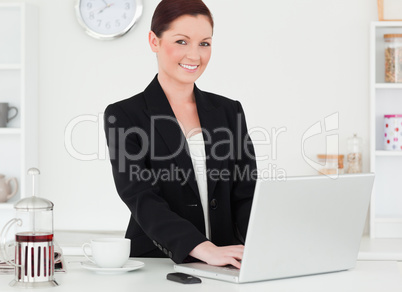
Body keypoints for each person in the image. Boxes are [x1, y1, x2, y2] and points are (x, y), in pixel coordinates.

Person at [104, 0, 256, 269]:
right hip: (158, 263)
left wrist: (261, 245)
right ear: (154, 41)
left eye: (204, 43)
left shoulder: (228, 111)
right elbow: (141, 197)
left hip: (226, 261)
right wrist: (201, 248)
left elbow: (246, 193)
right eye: (182, 41)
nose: (195, 56)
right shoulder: (125, 115)